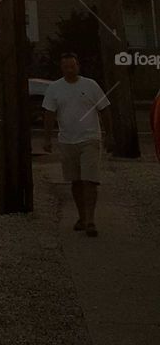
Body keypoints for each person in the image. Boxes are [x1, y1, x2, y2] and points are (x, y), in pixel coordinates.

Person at [42, 50, 112, 237]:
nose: (69, 69)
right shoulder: (54, 88)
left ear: (78, 66)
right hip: (67, 140)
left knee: (90, 180)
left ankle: (90, 219)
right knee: (76, 181)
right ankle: (82, 216)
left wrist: (109, 135)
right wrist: (46, 138)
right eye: (66, 66)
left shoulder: (90, 85)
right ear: (61, 68)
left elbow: (104, 109)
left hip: (89, 138)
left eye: (72, 66)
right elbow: (49, 114)